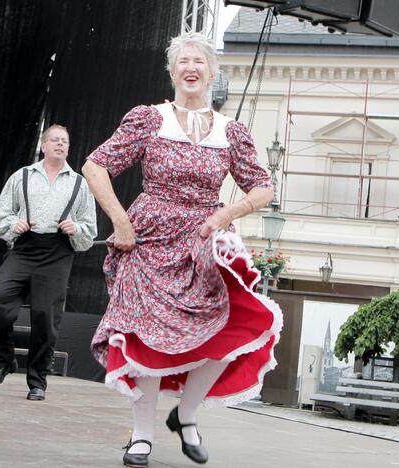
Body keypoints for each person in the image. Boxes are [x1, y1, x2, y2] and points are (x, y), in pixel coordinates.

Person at [81, 32, 281, 467]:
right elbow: (96, 165)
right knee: (142, 337)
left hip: (203, 242)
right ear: (172, 72)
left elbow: (263, 188)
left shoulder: (231, 132)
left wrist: (226, 215)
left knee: (230, 329)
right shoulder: (149, 119)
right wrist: (120, 220)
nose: (192, 68)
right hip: (148, 240)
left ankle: (186, 416)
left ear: (211, 73)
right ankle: (140, 436)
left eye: (200, 62)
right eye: (184, 61)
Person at [0, 124, 97, 401]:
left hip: (57, 253)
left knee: (45, 317)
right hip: (24, 247)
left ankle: (37, 381)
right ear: (43, 145)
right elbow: (3, 216)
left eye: (65, 141)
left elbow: (89, 229)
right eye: (55, 140)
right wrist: (15, 224)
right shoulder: (22, 176)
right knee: (0, 297)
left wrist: (76, 228)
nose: (60, 144)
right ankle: (3, 361)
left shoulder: (79, 184)